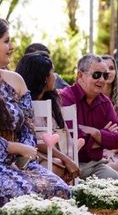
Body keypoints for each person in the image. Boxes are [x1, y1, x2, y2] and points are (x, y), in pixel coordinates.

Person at [0, 18, 71, 215]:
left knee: (60, 191)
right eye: (6, 41)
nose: (12, 47)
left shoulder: (16, 80)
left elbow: (27, 126)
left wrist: (23, 156)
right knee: (24, 193)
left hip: (20, 161)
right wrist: (15, 148)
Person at [15, 51, 80, 183]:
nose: (55, 76)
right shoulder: (22, 105)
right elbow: (37, 141)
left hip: (55, 158)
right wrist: (66, 160)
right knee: (54, 165)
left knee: (56, 163)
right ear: (44, 77)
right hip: (28, 157)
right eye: (52, 72)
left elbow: (67, 137)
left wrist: (69, 159)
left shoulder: (53, 103)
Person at [59, 55, 118, 180]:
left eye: (105, 76)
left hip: (95, 165)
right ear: (80, 75)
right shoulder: (66, 97)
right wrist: (104, 136)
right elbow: (73, 138)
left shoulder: (104, 102)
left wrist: (95, 132)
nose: (102, 80)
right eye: (96, 75)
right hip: (68, 164)